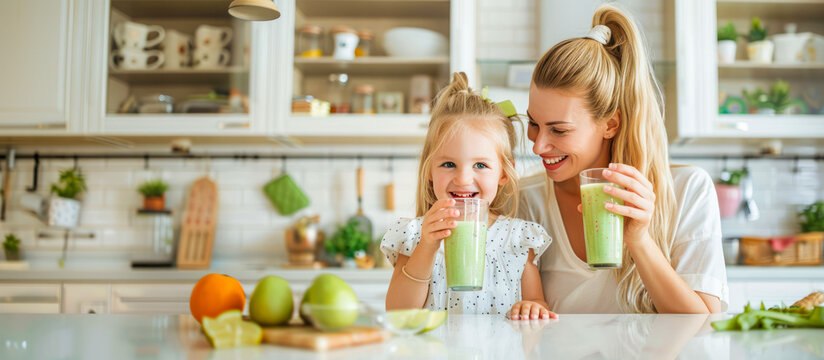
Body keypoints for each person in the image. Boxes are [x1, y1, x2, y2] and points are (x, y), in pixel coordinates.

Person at [519, 4, 728, 314]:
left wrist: (640, 240)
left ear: (610, 124)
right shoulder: (526, 200)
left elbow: (703, 327)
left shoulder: (687, 190)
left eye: (559, 130)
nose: (538, 146)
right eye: (534, 124)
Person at [381, 72, 557, 320]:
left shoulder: (517, 239)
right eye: (449, 164)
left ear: (504, 173)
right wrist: (427, 247)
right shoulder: (415, 235)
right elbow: (398, 313)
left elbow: (536, 301)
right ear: (429, 171)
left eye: (481, 165)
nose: (463, 179)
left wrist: (532, 307)